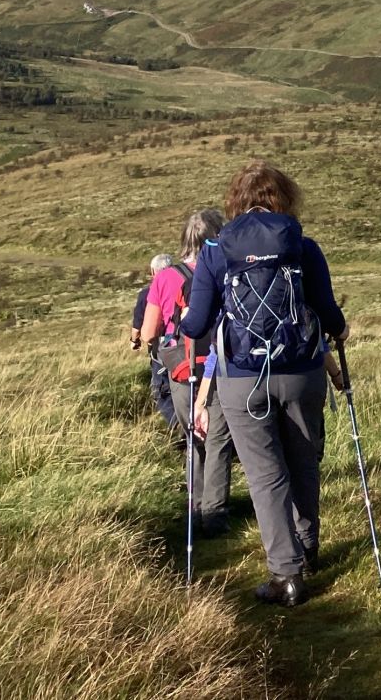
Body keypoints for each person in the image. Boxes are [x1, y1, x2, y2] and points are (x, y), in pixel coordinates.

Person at [179, 162, 346, 607]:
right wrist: (340, 331)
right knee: (304, 460)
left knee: (265, 475)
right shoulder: (304, 247)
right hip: (303, 372)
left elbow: (195, 325)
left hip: (242, 379)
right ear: (285, 199)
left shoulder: (216, 252)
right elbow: (330, 316)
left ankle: (286, 574)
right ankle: (308, 549)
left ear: (234, 203)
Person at [139, 209, 235, 534]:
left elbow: (150, 331)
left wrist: (159, 356)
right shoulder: (225, 268)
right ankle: (215, 515)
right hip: (221, 363)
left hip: (181, 369)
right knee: (219, 438)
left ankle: (195, 510)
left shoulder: (164, 278)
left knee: (193, 437)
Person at [130, 253, 179, 435]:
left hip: (161, 349)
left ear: (152, 272)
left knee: (162, 390)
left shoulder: (147, 293)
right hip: (185, 346)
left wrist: (134, 341)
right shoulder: (186, 285)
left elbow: (140, 328)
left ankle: (178, 427)